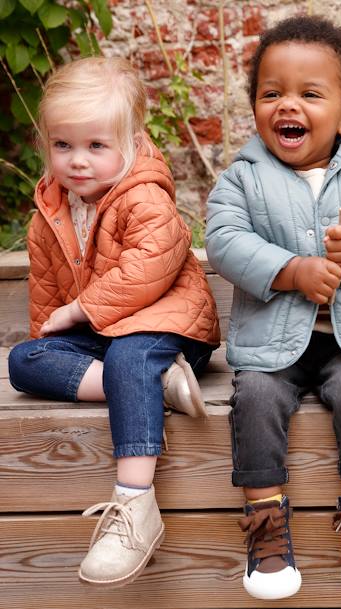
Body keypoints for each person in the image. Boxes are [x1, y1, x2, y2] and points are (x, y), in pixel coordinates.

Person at [206, 15, 341, 600]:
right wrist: (291, 270)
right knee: (254, 397)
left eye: (310, 94)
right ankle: (266, 525)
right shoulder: (243, 177)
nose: (288, 106)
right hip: (271, 343)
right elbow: (225, 240)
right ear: (256, 106)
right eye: (272, 93)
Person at [8, 56, 220, 588]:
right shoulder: (49, 212)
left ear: (130, 142)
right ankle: (158, 384)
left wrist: (80, 311)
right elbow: (46, 297)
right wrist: (53, 342)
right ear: (48, 144)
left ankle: (135, 505)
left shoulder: (144, 196)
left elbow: (149, 268)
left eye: (97, 146)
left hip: (166, 327)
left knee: (129, 355)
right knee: (23, 360)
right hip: (105, 338)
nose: (78, 161)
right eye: (64, 145)